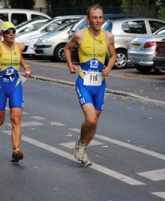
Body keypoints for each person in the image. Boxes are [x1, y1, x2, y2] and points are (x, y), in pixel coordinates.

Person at [64, 4, 116, 166]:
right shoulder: (79, 35)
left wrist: (108, 67)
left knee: (94, 123)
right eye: (94, 17)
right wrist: (70, 64)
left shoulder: (108, 36)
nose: (98, 20)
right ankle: (80, 141)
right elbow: (67, 48)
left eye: (100, 17)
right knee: (91, 120)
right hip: (84, 82)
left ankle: (83, 149)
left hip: (100, 84)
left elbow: (113, 55)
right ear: (88, 20)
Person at [0, 21, 33, 162]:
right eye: (8, 31)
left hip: (15, 85)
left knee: (16, 119)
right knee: (0, 121)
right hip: (0, 86)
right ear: (2, 34)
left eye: (13, 31)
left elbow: (21, 59)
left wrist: (26, 67)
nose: (11, 34)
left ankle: (16, 150)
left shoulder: (19, 47)